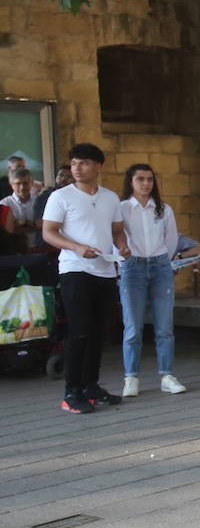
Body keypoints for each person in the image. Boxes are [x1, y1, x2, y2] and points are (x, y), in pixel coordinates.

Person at [41, 143, 129, 414]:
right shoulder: (61, 196)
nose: (77, 168)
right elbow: (49, 232)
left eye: (84, 163)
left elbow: (117, 231)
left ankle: (91, 386)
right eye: (74, 163)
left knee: (97, 332)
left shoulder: (110, 198)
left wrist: (122, 246)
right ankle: (72, 392)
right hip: (74, 270)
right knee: (78, 331)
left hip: (104, 270)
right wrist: (77, 247)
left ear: (98, 166)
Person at [117, 164, 188, 397]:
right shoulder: (122, 208)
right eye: (140, 179)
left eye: (149, 179)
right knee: (132, 327)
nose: (145, 183)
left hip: (159, 266)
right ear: (131, 181)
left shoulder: (163, 209)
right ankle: (131, 377)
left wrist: (164, 262)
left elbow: (170, 239)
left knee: (164, 326)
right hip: (133, 267)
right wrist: (122, 259)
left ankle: (167, 375)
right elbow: (114, 235)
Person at [1, 168, 38, 248]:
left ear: (31, 183)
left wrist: (18, 224)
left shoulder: (39, 202)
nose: (22, 187)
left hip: (38, 247)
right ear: (11, 185)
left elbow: (42, 225)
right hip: (13, 249)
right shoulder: (4, 204)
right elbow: (5, 230)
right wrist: (32, 224)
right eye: (18, 184)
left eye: (25, 183)